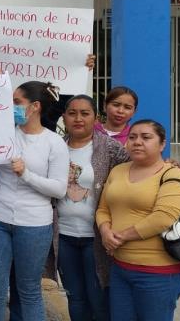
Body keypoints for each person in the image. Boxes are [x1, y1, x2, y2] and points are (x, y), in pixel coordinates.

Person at [0, 81, 69, 320]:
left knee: (29, 290)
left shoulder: (54, 143)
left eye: (17, 103)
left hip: (34, 225)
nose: (11, 107)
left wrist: (26, 174)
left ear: (35, 107)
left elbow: (59, 189)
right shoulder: (3, 134)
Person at [96, 120, 180, 321]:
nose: (137, 142)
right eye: (132, 137)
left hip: (158, 273)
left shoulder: (173, 173)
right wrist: (105, 232)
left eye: (146, 137)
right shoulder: (118, 171)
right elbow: (103, 209)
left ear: (162, 144)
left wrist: (120, 237)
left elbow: (163, 217)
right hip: (120, 268)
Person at [50, 95, 129, 321]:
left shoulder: (110, 148)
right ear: (63, 117)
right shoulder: (55, 146)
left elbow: (137, 168)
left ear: (96, 117)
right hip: (63, 236)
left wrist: (167, 165)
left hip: (96, 237)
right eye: (72, 113)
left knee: (98, 298)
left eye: (85, 113)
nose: (78, 118)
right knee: (75, 298)